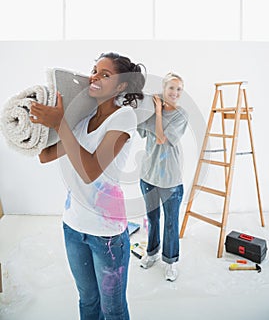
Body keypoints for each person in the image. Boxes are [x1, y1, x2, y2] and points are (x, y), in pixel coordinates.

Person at [30, 52, 145, 320]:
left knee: (113, 309)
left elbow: (91, 170)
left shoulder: (124, 118)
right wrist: (40, 120)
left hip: (106, 235)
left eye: (105, 74)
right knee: (88, 300)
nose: (94, 76)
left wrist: (59, 122)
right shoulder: (81, 122)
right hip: (73, 227)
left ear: (121, 86)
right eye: (94, 70)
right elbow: (45, 156)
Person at [138, 72, 188, 282]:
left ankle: (171, 261)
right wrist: (149, 107)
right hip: (148, 174)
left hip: (170, 179)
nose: (175, 93)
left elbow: (160, 138)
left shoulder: (181, 114)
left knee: (170, 223)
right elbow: (139, 128)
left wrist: (158, 111)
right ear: (163, 88)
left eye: (179, 89)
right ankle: (151, 254)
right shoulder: (150, 110)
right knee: (152, 218)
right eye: (171, 88)